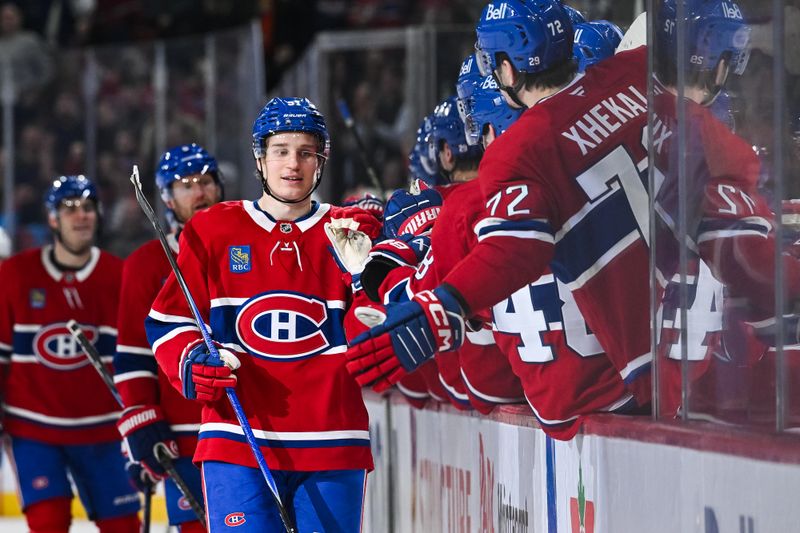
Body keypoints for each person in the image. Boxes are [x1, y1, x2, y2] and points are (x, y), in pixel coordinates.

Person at [345, 0, 653, 414]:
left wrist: (374, 268)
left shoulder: (486, 194)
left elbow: (460, 379)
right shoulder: (633, 113)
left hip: (569, 401)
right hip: (663, 374)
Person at [145, 97, 380, 531]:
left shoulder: (350, 231)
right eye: (281, 151)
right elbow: (166, 321)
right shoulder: (213, 230)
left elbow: (370, 331)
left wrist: (368, 275)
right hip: (236, 438)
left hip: (331, 441)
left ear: (320, 161)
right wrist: (191, 361)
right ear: (260, 158)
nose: (293, 164)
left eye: (306, 152)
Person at [0, 175, 140, 532]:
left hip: (105, 432)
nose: (82, 216)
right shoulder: (15, 275)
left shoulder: (119, 275)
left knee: (123, 527)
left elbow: (136, 357)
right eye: (70, 208)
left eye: (89, 208)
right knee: (48, 523)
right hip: (34, 431)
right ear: (52, 219)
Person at [114, 143, 223, 532]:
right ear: (166, 198)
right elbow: (132, 357)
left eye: (206, 181)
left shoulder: (245, 250)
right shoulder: (145, 264)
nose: (200, 192)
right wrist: (142, 419)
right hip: (185, 440)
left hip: (247, 430)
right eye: (186, 185)